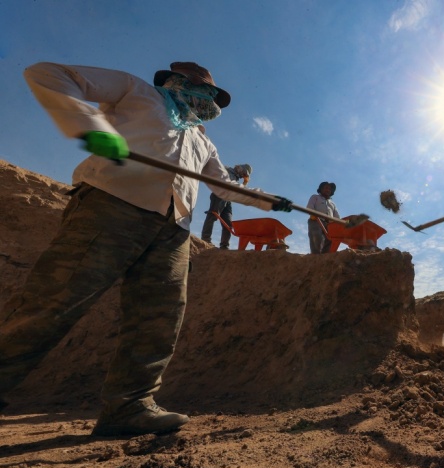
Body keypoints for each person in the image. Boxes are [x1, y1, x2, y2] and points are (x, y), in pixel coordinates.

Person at [0, 61, 294, 436]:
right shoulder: (135, 91)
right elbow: (45, 73)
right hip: (110, 206)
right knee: (53, 302)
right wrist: (90, 127)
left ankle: (129, 406)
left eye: (212, 98)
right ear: (179, 82)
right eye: (204, 92)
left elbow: (223, 187)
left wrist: (271, 202)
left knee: (159, 318)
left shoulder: (203, 140)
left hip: (173, 230)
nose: (208, 102)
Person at [201, 163, 252, 249]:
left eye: (245, 174)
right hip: (219, 194)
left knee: (228, 225)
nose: (243, 175)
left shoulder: (236, 179)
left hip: (227, 200)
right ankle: (205, 239)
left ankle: (224, 245)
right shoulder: (227, 169)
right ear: (240, 168)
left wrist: (244, 183)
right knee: (213, 215)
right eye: (244, 173)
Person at [306, 181, 339, 254]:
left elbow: (337, 217)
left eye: (329, 189)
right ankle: (315, 255)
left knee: (330, 239)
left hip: (329, 224)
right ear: (321, 189)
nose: (328, 190)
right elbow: (309, 207)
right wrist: (313, 214)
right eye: (326, 188)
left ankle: (325, 256)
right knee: (316, 236)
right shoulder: (315, 197)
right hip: (316, 220)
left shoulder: (332, 204)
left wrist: (342, 223)